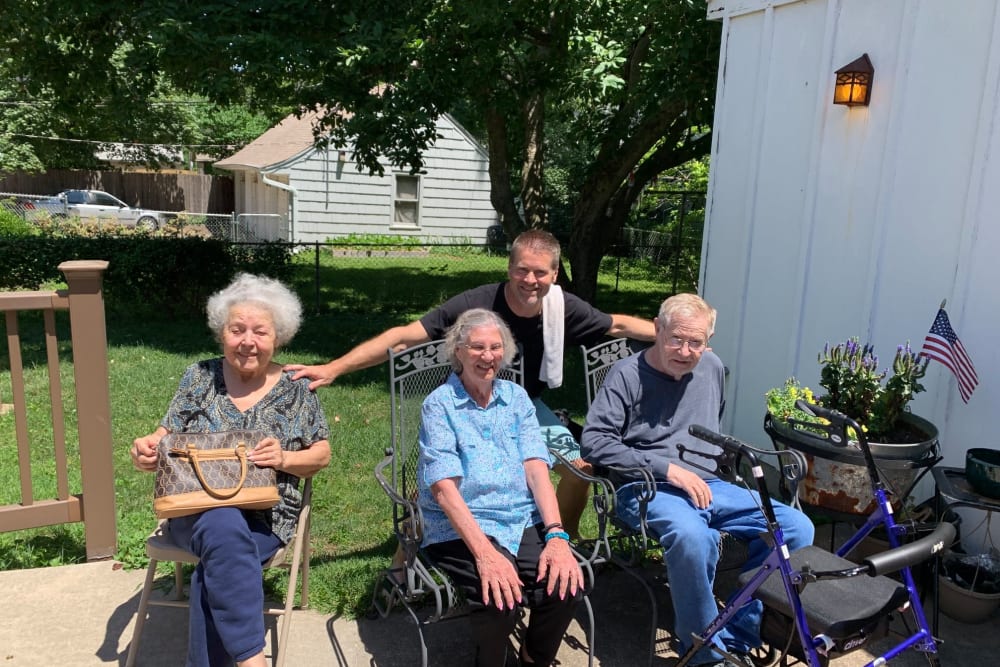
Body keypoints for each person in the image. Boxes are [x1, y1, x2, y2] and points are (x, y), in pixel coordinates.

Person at [288, 229, 654, 536]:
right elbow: (403, 337)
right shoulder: (477, 303)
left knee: (581, 470)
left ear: (555, 275)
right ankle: (412, 547)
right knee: (451, 477)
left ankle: (559, 541)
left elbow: (617, 324)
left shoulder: (563, 309)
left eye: (540, 273)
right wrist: (334, 368)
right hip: (470, 406)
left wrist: (675, 335)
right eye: (522, 270)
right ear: (509, 268)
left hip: (526, 409)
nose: (530, 280)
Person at [580, 293, 814, 667]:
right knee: (693, 537)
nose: (686, 351)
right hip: (645, 487)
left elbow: (711, 423)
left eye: (696, 342)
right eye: (677, 339)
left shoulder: (713, 368)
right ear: (657, 330)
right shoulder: (626, 375)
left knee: (796, 527)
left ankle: (741, 631)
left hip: (710, 484)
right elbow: (593, 443)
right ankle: (702, 653)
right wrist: (666, 468)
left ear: (708, 342)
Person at [131, 273, 331, 667]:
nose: (248, 341)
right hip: (193, 509)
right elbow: (163, 436)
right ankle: (252, 660)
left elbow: (321, 455)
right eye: (237, 329)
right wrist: (146, 451)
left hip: (267, 517)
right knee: (222, 528)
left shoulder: (295, 388)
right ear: (222, 333)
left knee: (217, 566)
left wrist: (285, 459)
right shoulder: (199, 377)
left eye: (260, 331)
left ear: (278, 337)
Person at [418, 308, 583, 667]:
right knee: (501, 604)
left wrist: (556, 535)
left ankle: (533, 658)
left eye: (496, 347)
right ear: (457, 350)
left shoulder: (516, 398)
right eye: (477, 347)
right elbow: (444, 489)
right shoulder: (439, 405)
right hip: (458, 527)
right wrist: (486, 555)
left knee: (567, 584)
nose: (488, 356)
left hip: (518, 518)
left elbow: (536, 468)